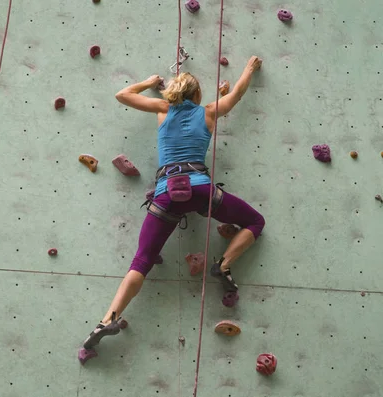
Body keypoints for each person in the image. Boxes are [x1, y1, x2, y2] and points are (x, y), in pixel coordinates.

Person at [82, 56, 266, 350]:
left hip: (167, 194)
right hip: (201, 190)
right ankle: (224, 265)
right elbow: (237, 94)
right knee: (256, 222)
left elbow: (122, 95)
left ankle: (107, 319)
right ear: (196, 94)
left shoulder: (162, 109)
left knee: (141, 262)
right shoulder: (208, 112)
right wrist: (249, 69)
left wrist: (150, 82)